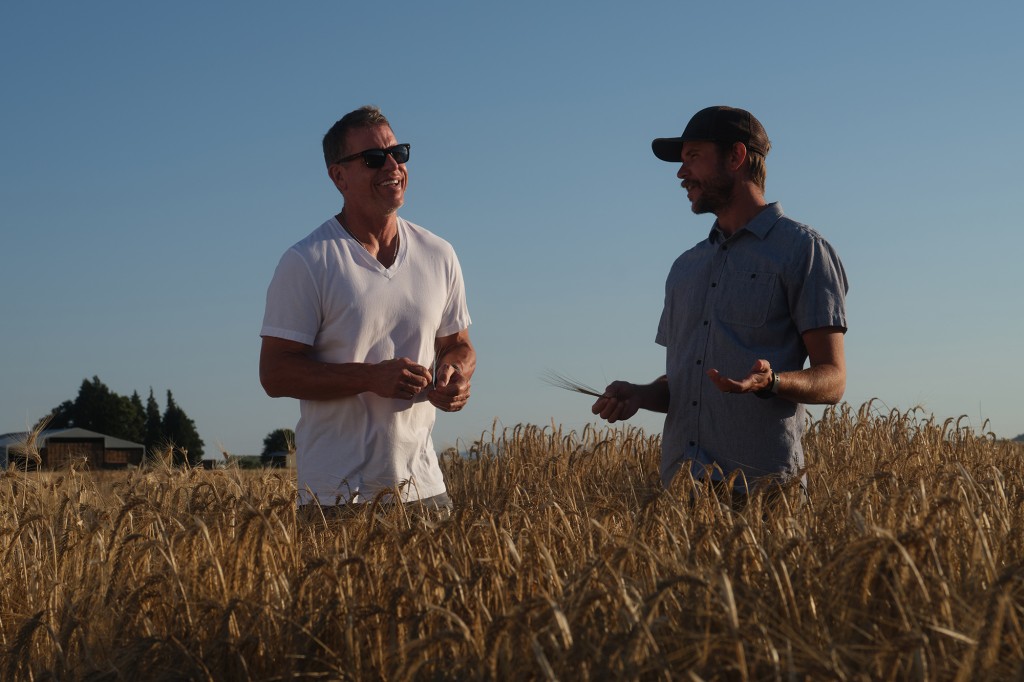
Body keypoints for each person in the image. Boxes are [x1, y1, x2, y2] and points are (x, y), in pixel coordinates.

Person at [592, 105, 848, 507]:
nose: (681, 173)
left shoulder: (803, 251)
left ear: (736, 157)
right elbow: (688, 382)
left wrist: (773, 383)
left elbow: (833, 380)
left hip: (764, 497)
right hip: (681, 494)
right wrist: (640, 395)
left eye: (693, 157)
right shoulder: (684, 268)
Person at [260, 105, 475, 512]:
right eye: (374, 158)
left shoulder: (439, 253)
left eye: (399, 152)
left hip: (425, 491)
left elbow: (458, 343)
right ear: (338, 176)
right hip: (336, 500)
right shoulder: (307, 261)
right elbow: (274, 373)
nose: (392, 165)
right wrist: (370, 377)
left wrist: (456, 373)